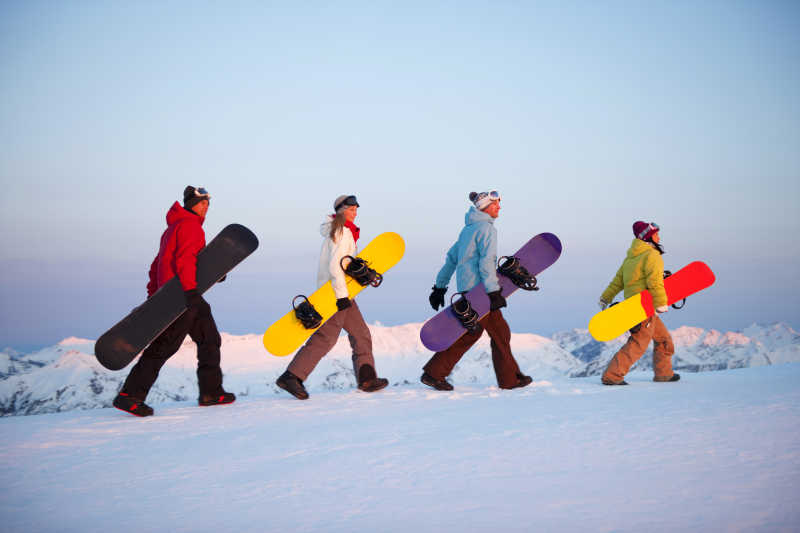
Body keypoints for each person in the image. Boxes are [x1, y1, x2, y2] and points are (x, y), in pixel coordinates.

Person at [113, 186, 235, 417]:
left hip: (178, 294)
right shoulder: (190, 227)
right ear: (190, 204)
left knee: (209, 338)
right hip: (182, 297)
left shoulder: (174, 228)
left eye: (208, 204)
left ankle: (211, 392)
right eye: (201, 203)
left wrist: (155, 294)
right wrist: (188, 292)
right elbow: (185, 260)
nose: (205, 207)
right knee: (164, 346)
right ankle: (129, 396)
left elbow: (157, 265)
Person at [276, 194, 389, 400]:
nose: (355, 213)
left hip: (339, 292)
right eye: (351, 209)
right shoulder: (342, 231)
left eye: (356, 210)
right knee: (326, 338)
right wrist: (341, 296)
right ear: (341, 211)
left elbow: (343, 264)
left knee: (361, 334)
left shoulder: (340, 231)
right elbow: (335, 265)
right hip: (336, 295)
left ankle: (367, 378)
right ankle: (291, 376)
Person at [420, 191, 533, 391]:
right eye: (496, 203)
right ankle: (509, 380)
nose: (499, 207)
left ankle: (435, 373)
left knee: (480, 332)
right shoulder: (486, 229)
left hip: (467, 290)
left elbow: (451, 260)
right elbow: (486, 262)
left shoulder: (467, 230)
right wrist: (493, 291)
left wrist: (439, 287)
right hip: (480, 291)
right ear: (484, 206)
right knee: (496, 333)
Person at [598, 221, 680, 385]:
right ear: (648, 237)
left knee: (664, 340)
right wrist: (661, 303)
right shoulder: (652, 255)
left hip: (635, 306)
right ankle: (612, 376)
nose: (659, 236)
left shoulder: (630, 258)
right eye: (656, 234)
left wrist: (605, 298)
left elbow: (617, 282)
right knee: (638, 343)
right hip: (644, 307)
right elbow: (654, 282)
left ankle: (664, 373)